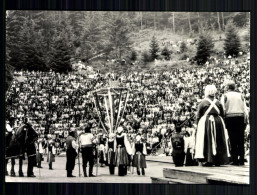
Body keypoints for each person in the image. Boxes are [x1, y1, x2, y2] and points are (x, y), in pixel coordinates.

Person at [195, 85, 230, 166]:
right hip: (218, 121)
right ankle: (218, 159)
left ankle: (209, 159)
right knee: (219, 139)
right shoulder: (218, 102)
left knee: (207, 140)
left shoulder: (202, 103)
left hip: (206, 122)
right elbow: (222, 114)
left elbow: (198, 116)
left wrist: (197, 125)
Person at [221, 80, 248, 165]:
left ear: (228, 87)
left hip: (230, 118)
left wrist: (224, 118)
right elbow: (245, 109)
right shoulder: (240, 95)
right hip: (240, 118)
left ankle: (235, 159)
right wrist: (245, 120)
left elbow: (223, 109)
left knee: (232, 139)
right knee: (240, 139)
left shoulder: (225, 96)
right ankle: (242, 158)